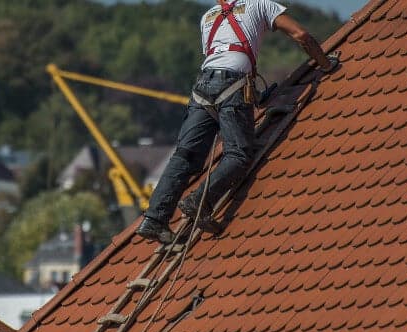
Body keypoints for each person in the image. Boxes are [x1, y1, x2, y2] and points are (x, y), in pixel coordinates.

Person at [135, 0, 338, 244]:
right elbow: (301, 35)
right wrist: (326, 64)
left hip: (202, 88)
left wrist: (255, 97)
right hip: (233, 83)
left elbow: (221, 55)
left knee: (185, 156)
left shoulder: (209, 16)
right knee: (239, 154)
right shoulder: (261, 4)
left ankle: (154, 219)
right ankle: (200, 201)